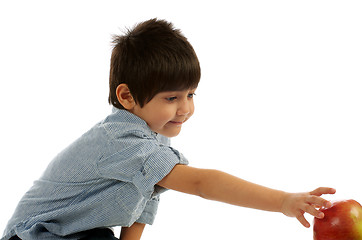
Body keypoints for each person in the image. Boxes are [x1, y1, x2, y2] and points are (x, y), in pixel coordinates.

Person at [2, 18, 336, 240]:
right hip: (34, 234)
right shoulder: (124, 141)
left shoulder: (152, 138)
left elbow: (142, 204)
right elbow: (204, 184)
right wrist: (283, 201)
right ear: (127, 96)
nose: (186, 108)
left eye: (191, 94)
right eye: (172, 97)